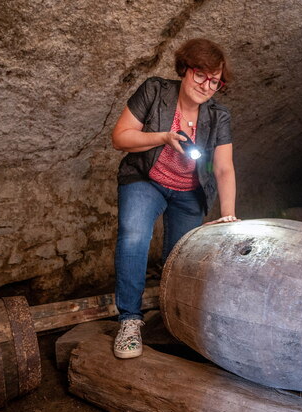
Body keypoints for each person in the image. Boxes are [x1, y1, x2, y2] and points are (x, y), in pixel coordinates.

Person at [110, 38, 238, 358]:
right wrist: (164, 137)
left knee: (181, 259)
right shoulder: (155, 91)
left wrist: (229, 215)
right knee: (134, 236)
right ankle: (129, 320)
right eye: (200, 74)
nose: (206, 85)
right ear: (185, 69)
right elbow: (120, 137)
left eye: (214, 80)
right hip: (146, 179)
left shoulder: (218, 116)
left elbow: (223, 168)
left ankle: (173, 323)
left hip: (189, 192)